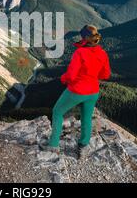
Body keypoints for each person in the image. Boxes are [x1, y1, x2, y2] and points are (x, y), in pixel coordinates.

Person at [41, 25, 111, 153]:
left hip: (77, 90)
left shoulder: (80, 52)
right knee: (86, 118)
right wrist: (92, 76)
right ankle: (83, 146)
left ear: (84, 38)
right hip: (93, 91)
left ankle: (53, 145)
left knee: (57, 111)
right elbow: (105, 74)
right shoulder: (102, 53)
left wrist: (63, 78)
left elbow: (71, 75)